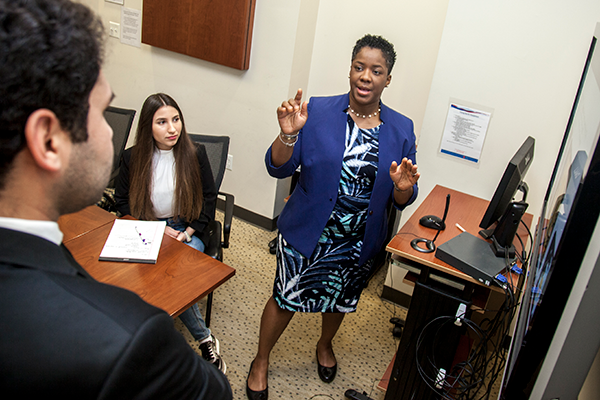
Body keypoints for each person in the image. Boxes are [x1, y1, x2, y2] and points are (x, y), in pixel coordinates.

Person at [0, 1, 232, 398]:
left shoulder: (192, 156)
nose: (111, 133)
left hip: (181, 231)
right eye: (103, 113)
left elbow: (207, 203)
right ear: (48, 140)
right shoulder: (133, 338)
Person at [246, 34, 420, 399]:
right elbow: (278, 168)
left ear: (388, 79)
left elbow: (403, 196)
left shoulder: (402, 129)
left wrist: (402, 187)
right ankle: (261, 359)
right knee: (284, 298)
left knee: (338, 299)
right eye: (359, 67)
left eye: (376, 70)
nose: (365, 76)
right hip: (309, 230)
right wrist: (287, 134)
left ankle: (325, 344)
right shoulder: (318, 111)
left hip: (357, 239)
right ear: (350, 70)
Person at [114, 93, 226, 373]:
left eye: (176, 119)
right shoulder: (132, 158)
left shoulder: (194, 153)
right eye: (162, 122)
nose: (172, 128)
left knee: (172, 275)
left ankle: (202, 339)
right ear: (147, 127)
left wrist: (188, 231)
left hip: (186, 230)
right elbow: (122, 202)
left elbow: (209, 197)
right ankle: (198, 337)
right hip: (149, 228)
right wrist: (154, 231)